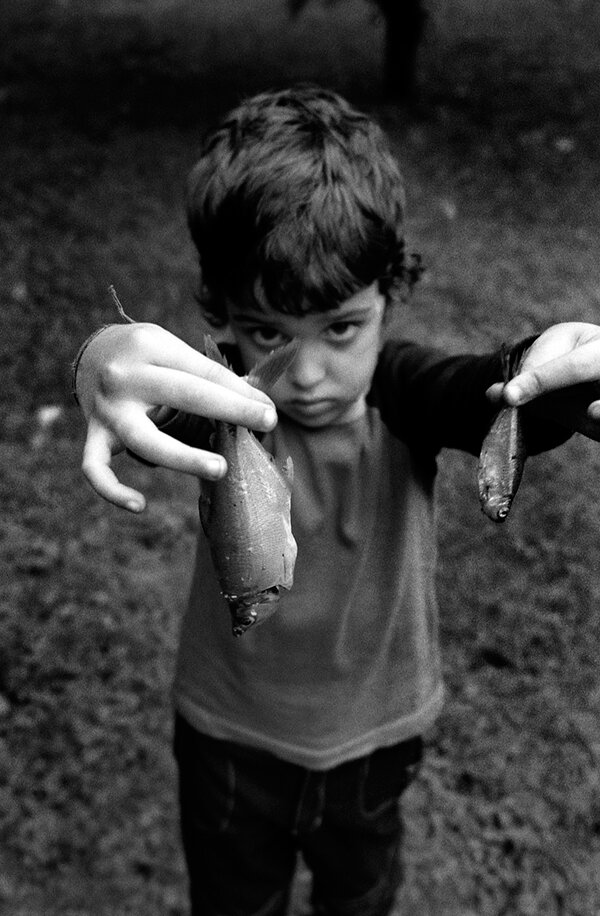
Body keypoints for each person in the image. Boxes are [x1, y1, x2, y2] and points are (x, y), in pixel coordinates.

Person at [73, 86, 600, 916]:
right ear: (224, 319)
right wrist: (102, 358)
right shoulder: (224, 403)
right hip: (226, 739)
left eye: (342, 327)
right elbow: (134, 382)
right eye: (270, 330)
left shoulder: (408, 393)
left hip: (377, 742)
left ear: (390, 294)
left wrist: (545, 367)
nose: (308, 372)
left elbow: (487, 390)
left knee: (360, 899)